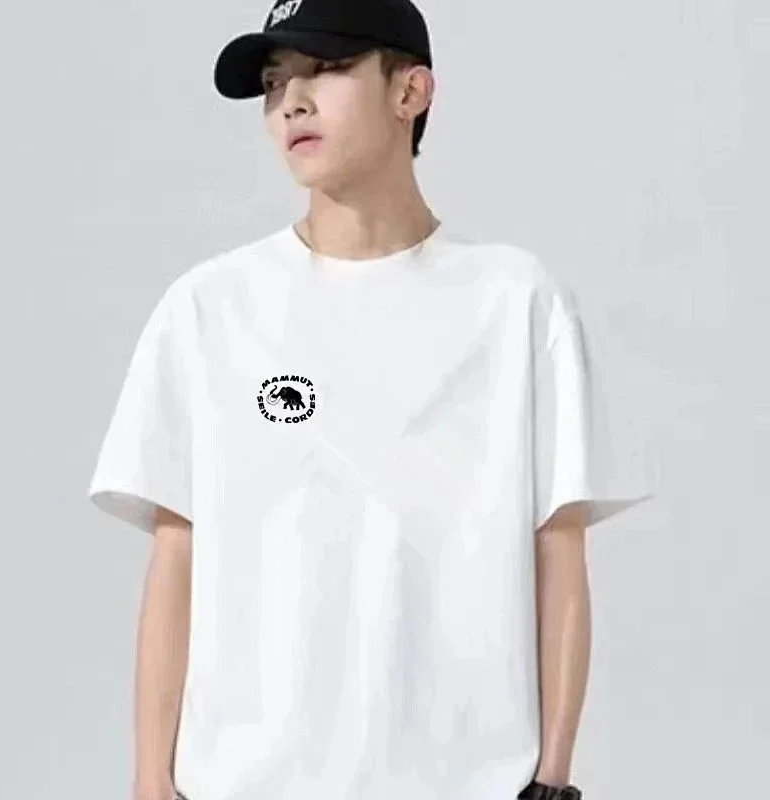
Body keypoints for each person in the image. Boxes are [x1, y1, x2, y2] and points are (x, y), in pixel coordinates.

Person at [87, 1, 653, 799]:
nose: (291, 101)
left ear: (410, 91)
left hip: (465, 783)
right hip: (245, 783)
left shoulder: (517, 303)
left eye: (325, 68)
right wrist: (152, 784)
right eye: (274, 83)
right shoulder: (210, 310)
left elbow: (558, 550)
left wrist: (552, 780)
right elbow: (176, 556)